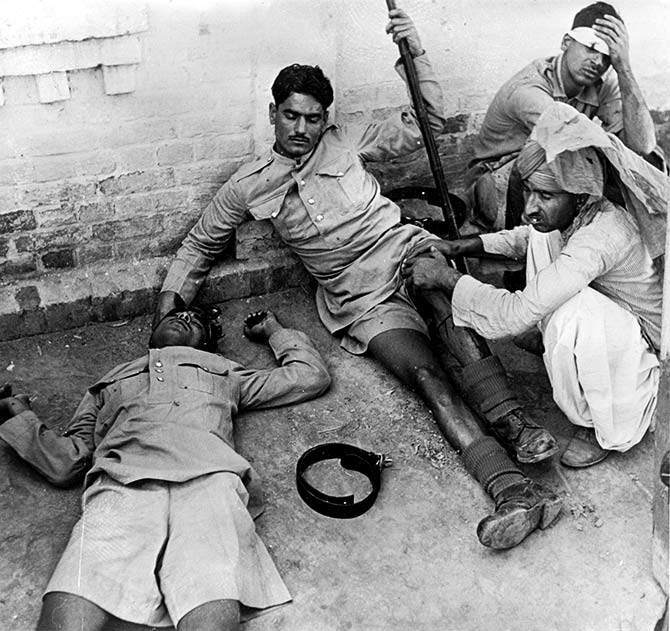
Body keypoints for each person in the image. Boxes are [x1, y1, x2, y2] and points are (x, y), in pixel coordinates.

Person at [155, 7, 563, 550]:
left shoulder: (348, 141)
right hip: (360, 297)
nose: (302, 129)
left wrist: (413, 51)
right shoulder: (248, 186)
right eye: (291, 116)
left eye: (313, 118)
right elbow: (200, 244)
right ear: (272, 114)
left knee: (450, 315)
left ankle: (515, 426)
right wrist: (164, 315)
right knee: (427, 378)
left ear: (327, 118)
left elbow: (427, 120)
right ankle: (511, 490)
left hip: (405, 250)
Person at [0, 306, 331, 631]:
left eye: (197, 321)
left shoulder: (225, 371)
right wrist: (20, 416)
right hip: (122, 484)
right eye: (177, 315)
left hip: (209, 481)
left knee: (211, 601)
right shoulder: (109, 382)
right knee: (73, 597)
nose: (186, 317)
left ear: (207, 345)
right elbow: (67, 462)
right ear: (152, 336)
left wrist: (274, 331)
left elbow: (309, 376)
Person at [403, 102, 667, 468]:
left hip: (643, 345)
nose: (529, 206)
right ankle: (558, 345)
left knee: (574, 315)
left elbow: (516, 313)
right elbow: (527, 238)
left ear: (579, 196)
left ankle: (604, 423)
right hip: (613, 316)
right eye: (528, 191)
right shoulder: (577, 213)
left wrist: (447, 278)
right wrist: (463, 245)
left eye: (544, 195)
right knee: (544, 236)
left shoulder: (604, 233)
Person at [467, 2, 661, 233]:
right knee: (560, 164)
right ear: (566, 43)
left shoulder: (602, 80)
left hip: (553, 169)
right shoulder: (529, 89)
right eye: (591, 47)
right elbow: (572, 146)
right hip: (495, 182)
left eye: (608, 57)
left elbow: (643, 145)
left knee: (651, 161)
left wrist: (624, 69)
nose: (598, 62)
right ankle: (524, 253)